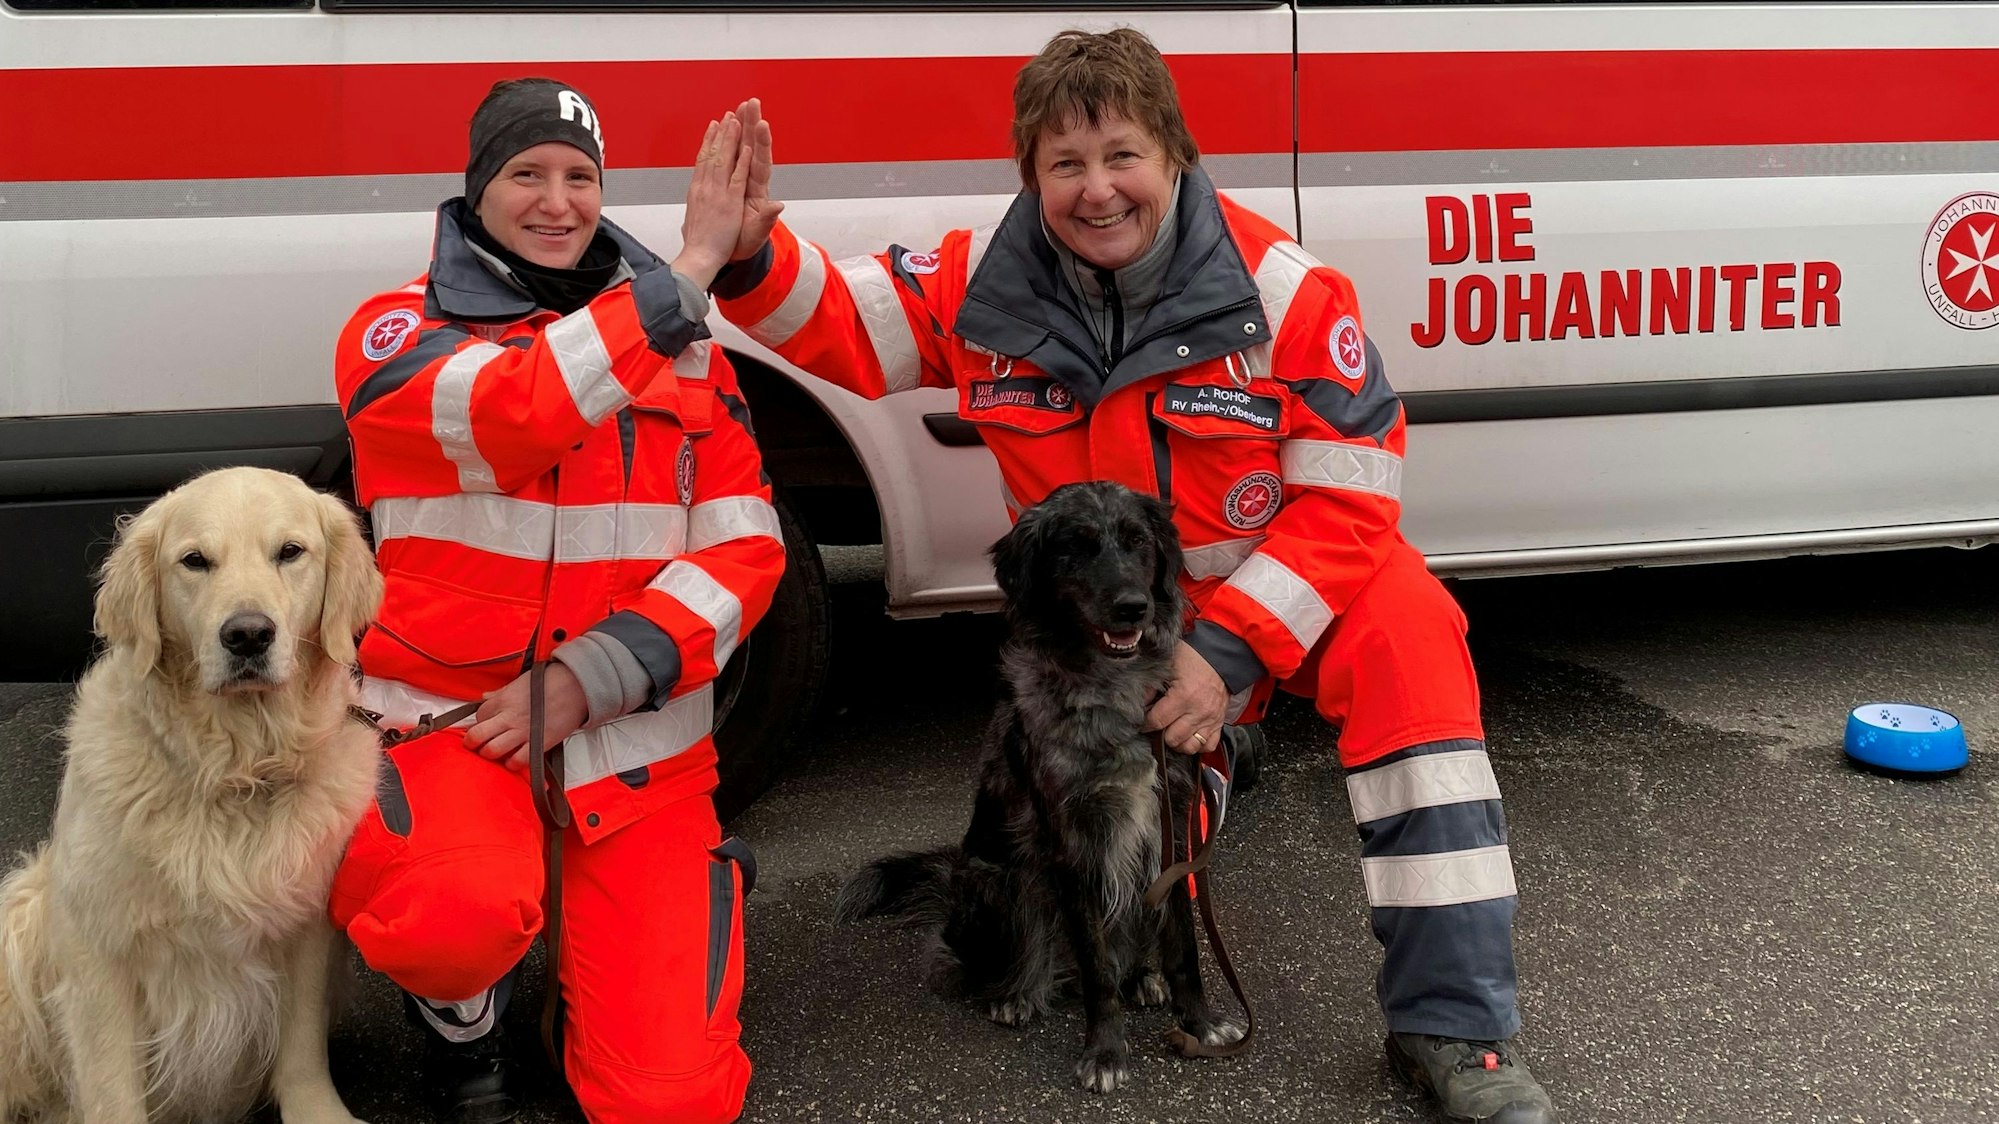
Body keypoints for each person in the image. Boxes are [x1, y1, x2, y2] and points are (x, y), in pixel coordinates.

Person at [703, 30, 1556, 1124]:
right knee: (1110, 825)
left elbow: (1352, 494)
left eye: (1122, 156)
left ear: (1176, 156)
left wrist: (1226, 652)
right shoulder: (979, 285)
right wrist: (743, 253)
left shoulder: (1285, 294)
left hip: (1277, 594)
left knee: (1413, 636)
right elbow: (835, 320)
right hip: (1113, 635)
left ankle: (1456, 1029)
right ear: (1031, 177)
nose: (1096, 189)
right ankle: (1173, 820)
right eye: (1064, 164)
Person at [329, 78, 782, 1124]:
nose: (557, 200)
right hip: (444, 732)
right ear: (477, 189)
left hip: (631, 745)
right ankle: (459, 1017)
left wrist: (596, 673)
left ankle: (632, 939)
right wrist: (692, 270)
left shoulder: (688, 348)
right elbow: (517, 411)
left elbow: (748, 546)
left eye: (581, 178)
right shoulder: (396, 330)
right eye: (525, 173)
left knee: (671, 1102)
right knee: (451, 917)